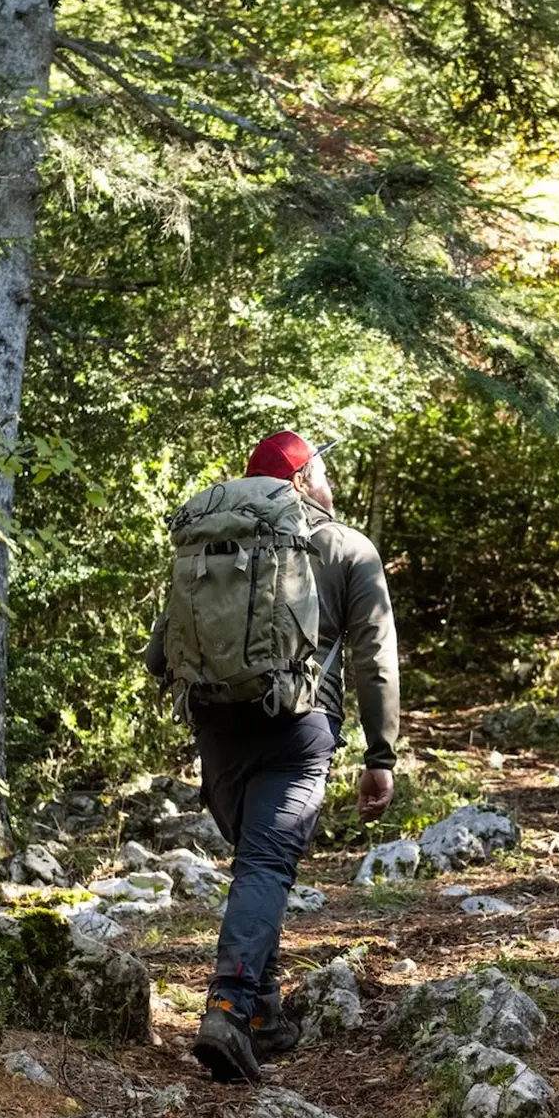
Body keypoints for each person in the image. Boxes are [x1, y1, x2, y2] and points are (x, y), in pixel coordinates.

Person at [145, 431, 400, 1082]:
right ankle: (227, 1009)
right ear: (304, 480)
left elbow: (159, 649)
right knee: (265, 866)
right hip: (298, 727)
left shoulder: (217, 539)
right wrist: (381, 756)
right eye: (326, 475)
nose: (333, 487)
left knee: (255, 866)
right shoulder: (347, 547)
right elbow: (375, 661)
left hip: (217, 727)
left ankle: (263, 1013)